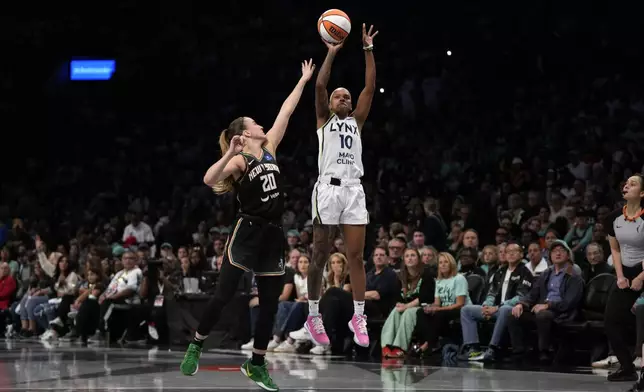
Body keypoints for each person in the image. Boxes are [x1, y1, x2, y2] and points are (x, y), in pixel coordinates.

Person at [179, 59, 315, 392]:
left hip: (272, 233)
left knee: (270, 304)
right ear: (244, 132)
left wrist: (303, 80)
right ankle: (196, 345)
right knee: (224, 294)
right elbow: (209, 179)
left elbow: (287, 111)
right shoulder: (240, 159)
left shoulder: (269, 147)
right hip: (247, 230)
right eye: (254, 122)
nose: (261, 124)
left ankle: (256, 364)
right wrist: (229, 155)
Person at [302, 24, 379, 348]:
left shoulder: (356, 121)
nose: (344, 97)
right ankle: (312, 314)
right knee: (319, 254)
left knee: (356, 257)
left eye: (346, 96)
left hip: (353, 189)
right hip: (328, 190)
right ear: (331, 104)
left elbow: (369, 89)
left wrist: (368, 50)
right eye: (339, 95)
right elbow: (320, 85)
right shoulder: (324, 120)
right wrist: (331, 53)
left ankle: (358, 315)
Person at [602, 175, 644, 384]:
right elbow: (615, 248)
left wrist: (641, 277)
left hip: (643, 270)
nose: (627, 185)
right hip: (626, 271)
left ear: (642, 193)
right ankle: (627, 367)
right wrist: (620, 276)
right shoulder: (612, 218)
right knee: (610, 321)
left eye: (633, 183)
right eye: (626, 183)